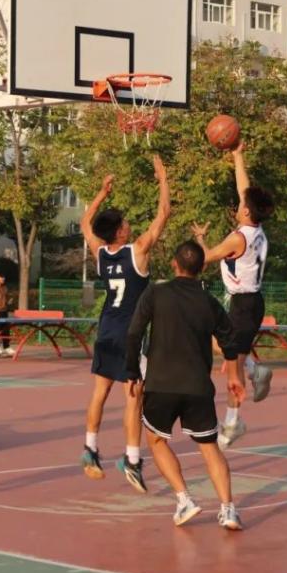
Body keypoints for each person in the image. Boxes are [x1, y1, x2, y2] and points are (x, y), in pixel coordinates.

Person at [125, 241, 245, 530]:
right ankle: (228, 509)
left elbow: (134, 332)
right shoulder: (208, 301)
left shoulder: (155, 293)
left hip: (161, 384)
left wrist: (132, 371)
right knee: (210, 448)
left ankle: (184, 499)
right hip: (197, 386)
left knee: (156, 441)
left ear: (174, 264)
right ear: (200, 267)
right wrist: (233, 376)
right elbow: (230, 340)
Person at [80, 155, 170, 493]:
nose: (130, 224)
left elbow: (85, 224)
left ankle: (90, 449)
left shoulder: (100, 253)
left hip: (106, 330)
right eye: (126, 222)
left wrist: (102, 193)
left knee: (100, 392)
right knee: (134, 396)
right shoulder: (138, 251)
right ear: (120, 231)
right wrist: (163, 178)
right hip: (131, 336)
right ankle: (131, 459)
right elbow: (163, 215)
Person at [191, 138, 274, 450]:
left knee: (231, 371)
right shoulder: (257, 230)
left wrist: (200, 241)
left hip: (243, 306)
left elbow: (204, 259)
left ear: (246, 211)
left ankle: (233, 421)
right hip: (247, 302)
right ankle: (256, 369)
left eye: (241, 205)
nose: (237, 205)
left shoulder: (238, 239)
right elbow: (244, 190)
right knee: (217, 344)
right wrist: (238, 156)